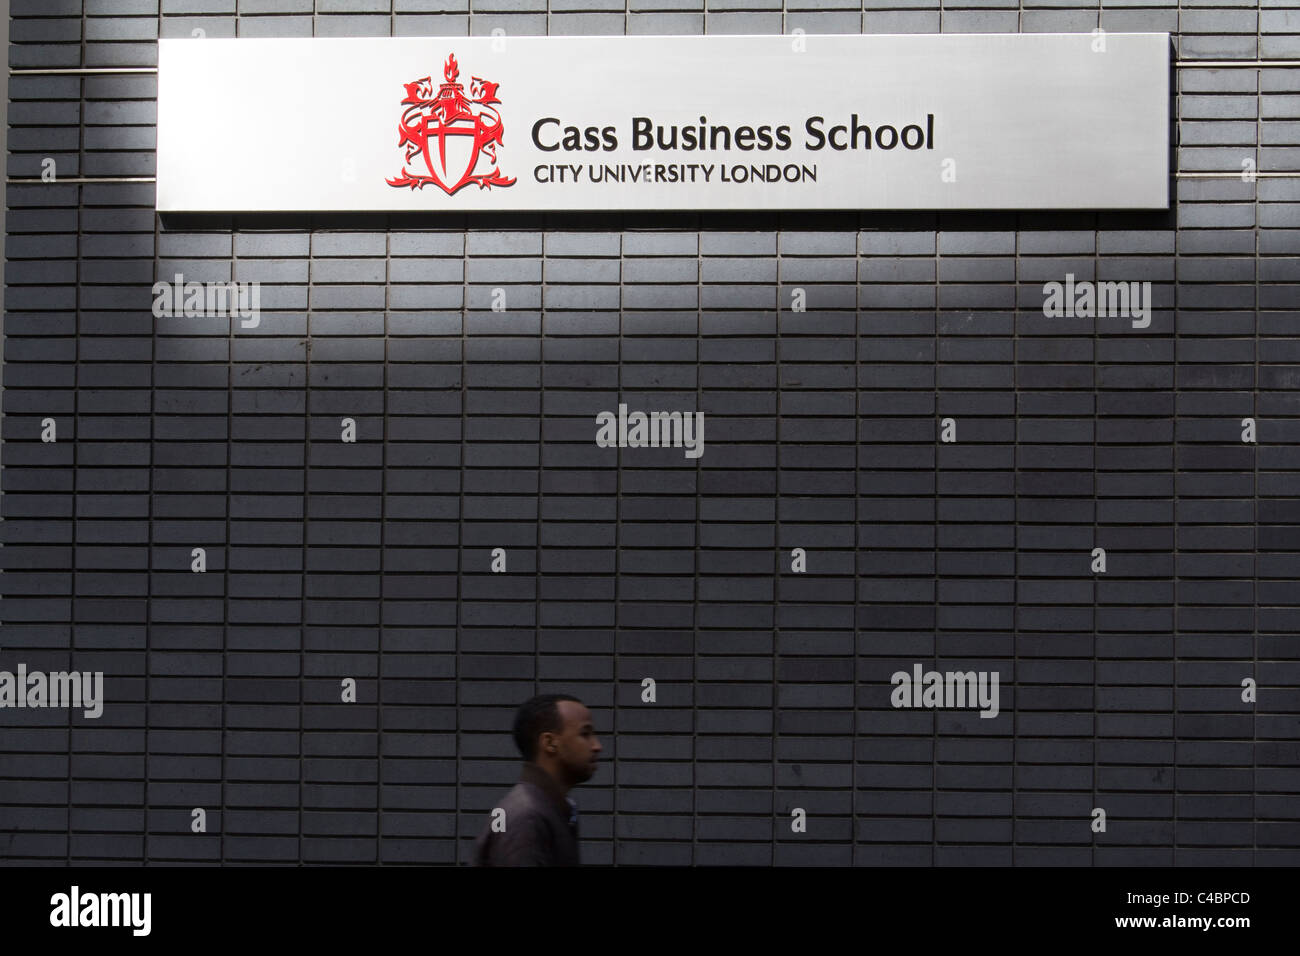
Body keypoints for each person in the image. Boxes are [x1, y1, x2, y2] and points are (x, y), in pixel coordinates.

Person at [471, 694, 602, 866]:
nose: (597, 746)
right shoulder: (527, 817)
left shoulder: (548, 809)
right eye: (585, 734)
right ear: (549, 743)